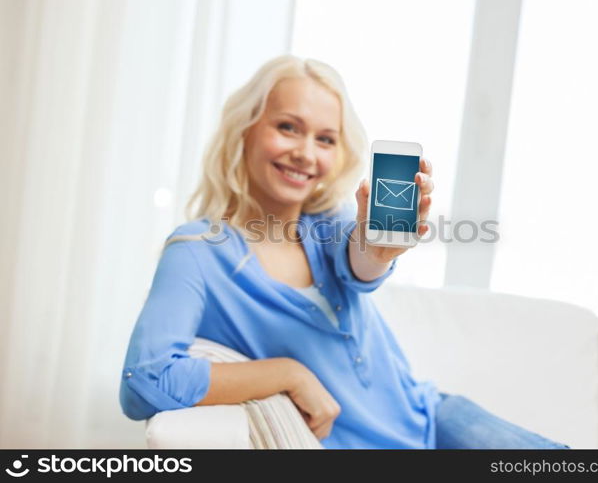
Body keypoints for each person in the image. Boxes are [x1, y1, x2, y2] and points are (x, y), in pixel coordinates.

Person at [119, 54, 569, 449]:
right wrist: (288, 373)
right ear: (246, 130)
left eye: (326, 139)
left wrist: (381, 250)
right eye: (287, 127)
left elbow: (362, 264)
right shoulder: (197, 250)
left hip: (436, 419)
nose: (305, 152)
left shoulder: (329, 225)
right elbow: (144, 381)